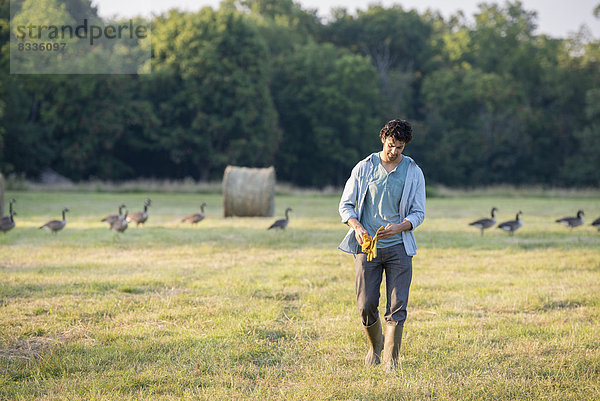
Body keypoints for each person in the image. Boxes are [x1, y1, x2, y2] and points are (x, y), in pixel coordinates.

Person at [338, 119, 426, 372]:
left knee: (397, 306)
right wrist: (357, 227)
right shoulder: (364, 167)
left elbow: (418, 212)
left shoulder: (413, 171)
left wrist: (399, 227)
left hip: (399, 247)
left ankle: (391, 361)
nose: (394, 151)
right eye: (391, 145)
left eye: (400, 147)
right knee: (366, 304)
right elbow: (346, 205)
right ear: (383, 140)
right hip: (368, 248)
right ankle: (375, 347)